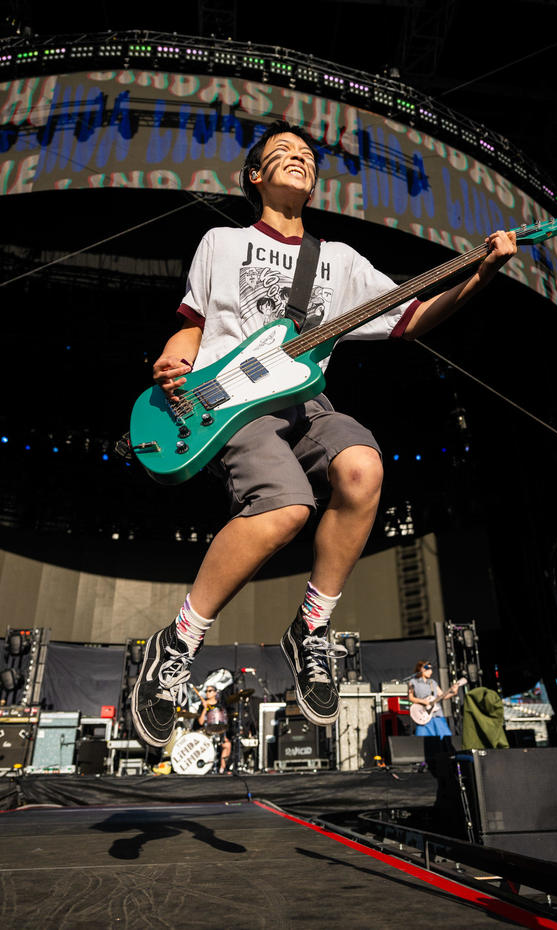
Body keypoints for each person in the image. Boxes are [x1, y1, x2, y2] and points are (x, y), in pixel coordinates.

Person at [131, 119, 517, 749]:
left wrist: (482, 273)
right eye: (282, 152)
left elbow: (412, 317)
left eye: (308, 155)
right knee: (285, 508)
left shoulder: (338, 262)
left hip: (304, 402)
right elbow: (193, 322)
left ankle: (312, 629)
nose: (298, 159)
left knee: (363, 466)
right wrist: (174, 359)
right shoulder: (221, 242)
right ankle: (177, 643)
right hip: (227, 404)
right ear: (256, 177)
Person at [408, 660, 458, 740]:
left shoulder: (433, 682)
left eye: (431, 669)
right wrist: (423, 701)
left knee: (445, 737)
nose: (430, 671)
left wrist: (453, 692)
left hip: (436, 714)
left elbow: (443, 696)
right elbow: (411, 698)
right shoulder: (413, 682)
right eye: (427, 668)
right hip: (423, 715)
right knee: (423, 740)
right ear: (421, 669)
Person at [195, 685, 231, 774]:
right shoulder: (202, 705)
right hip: (207, 731)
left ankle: (222, 769)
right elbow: (200, 722)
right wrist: (204, 708)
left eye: (210, 691)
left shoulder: (220, 705)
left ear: (215, 693)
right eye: (206, 691)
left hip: (219, 730)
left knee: (227, 745)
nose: (207, 693)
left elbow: (224, 719)